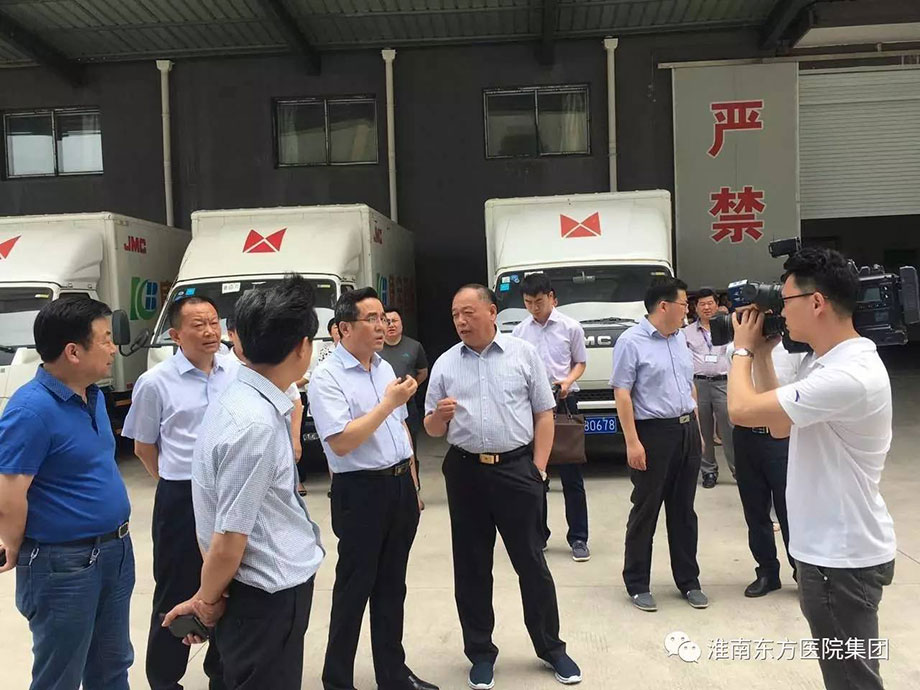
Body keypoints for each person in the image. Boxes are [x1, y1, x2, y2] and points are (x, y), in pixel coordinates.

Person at [728, 247, 897, 690]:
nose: (779, 312)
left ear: (817, 302)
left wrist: (741, 349)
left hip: (840, 560)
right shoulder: (826, 364)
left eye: (785, 301)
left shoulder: (848, 375)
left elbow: (741, 410)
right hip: (830, 554)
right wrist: (762, 355)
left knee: (851, 682)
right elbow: (779, 426)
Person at [163, 275, 325, 690]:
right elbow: (229, 538)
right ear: (302, 347)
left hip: (247, 592)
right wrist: (206, 601)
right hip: (264, 597)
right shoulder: (254, 425)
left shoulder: (239, 398)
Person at [425, 284, 582, 689]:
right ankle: (480, 653)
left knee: (531, 563)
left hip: (516, 469)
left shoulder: (523, 354)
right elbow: (431, 428)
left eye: (468, 312)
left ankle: (551, 648)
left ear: (492, 312)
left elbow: (544, 414)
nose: (461, 321)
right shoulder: (445, 363)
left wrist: (539, 469)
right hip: (465, 472)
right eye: (455, 314)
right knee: (472, 567)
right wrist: (439, 417)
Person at [0, 297, 134, 690]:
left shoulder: (93, 396)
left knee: (112, 665)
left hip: (115, 551)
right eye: (105, 339)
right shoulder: (30, 410)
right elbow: (9, 491)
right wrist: (12, 543)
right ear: (73, 352)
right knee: (60, 675)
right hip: (65, 565)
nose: (113, 348)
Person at [309, 288, 436, 690]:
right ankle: (337, 679)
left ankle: (393, 674)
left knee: (392, 586)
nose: (382, 326)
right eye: (371, 319)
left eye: (383, 317)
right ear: (344, 328)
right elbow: (341, 441)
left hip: (399, 486)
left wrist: (413, 483)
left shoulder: (383, 368)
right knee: (354, 588)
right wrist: (387, 404)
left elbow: (400, 429)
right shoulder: (327, 377)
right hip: (360, 491)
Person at [122, 295, 235, 690]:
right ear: (175, 335)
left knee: (230, 584)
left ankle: (222, 674)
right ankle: (166, 679)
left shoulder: (235, 371)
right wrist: (172, 481)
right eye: (198, 325)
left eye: (213, 322)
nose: (210, 331)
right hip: (182, 495)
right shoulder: (156, 382)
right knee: (177, 586)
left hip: (230, 491)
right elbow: (143, 446)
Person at [611, 277, 707, 613]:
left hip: (685, 430)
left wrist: (697, 430)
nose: (687, 310)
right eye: (683, 304)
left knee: (684, 512)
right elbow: (622, 393)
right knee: (646, 510)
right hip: (652, 433)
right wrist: (632, 442)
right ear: (664, 306)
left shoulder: (680, 338)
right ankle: (637, 583)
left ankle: (689, 581)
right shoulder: (631, 341)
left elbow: (689, 386)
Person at [511, 272, 590, 562]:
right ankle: (538, 535)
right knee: (535, 473)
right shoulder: (519, 332)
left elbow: (580, 362)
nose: (534, 307)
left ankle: (578, 538)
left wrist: (568, 381)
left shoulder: (571, 327)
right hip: (532, 407)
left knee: (572, 475)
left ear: (552, 298)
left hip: (565, 401)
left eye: (539, 301)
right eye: (528, 302)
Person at [728, 329, 802, 598]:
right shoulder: (736, 349)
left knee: (789, 509)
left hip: (781, 438)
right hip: (746, 436)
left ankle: (801, 572)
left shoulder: (794, 349)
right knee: (755, 511)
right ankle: (767, 572)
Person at [225, 311, 306, 494]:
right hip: (239, 453)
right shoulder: (223, 369)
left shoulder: (273, 361)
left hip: (276, 447)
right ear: (231, 335)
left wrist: (294, 439)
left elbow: (295, 400)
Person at [684, 288, 734, 488]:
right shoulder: (686, 332)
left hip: (723, 382)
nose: (706, 307)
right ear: (695, 308)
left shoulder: (729, 327)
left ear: (717, 305)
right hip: (698, 384)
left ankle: (738, 470)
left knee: (729, 428)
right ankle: (708, 471)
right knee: (702, 428)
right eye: (702, 304)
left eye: (710, 303)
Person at [380, 306, 429, 457]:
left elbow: (423, 372)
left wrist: (410, 388)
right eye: (387, 321)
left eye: (394, 321)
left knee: (410, 447)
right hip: (381, 406)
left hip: (408, 405)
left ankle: (413, 472)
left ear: (401, 323)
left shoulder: (414, 346)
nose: (391, 325)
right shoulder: (374, 348)